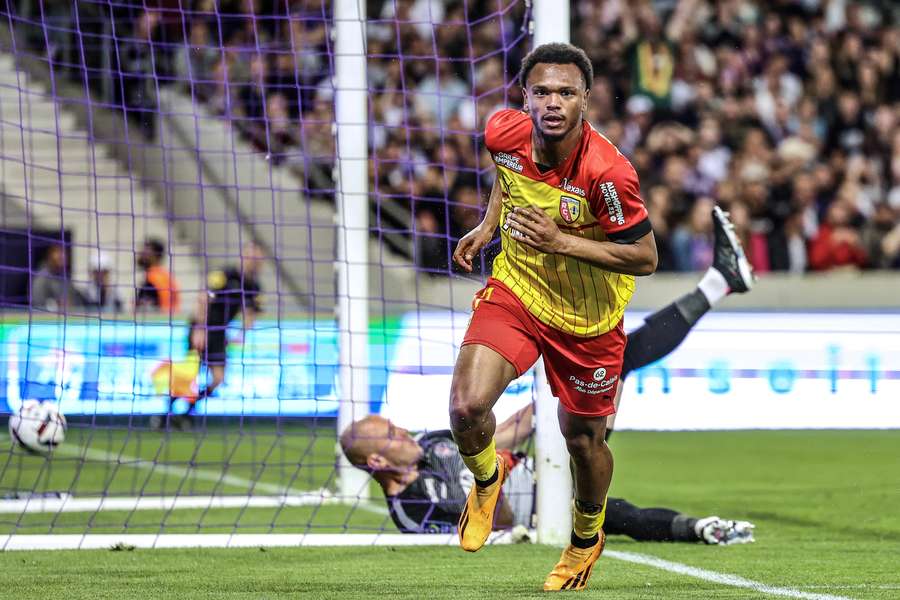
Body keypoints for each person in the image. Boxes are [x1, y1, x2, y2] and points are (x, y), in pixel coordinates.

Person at [341, 207, 755, 546]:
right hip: (537, 510)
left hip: (548, 469)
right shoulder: (411, 510)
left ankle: (719, 282)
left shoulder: (431, 445)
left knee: (620, 361)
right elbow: (479, 533)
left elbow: (503, 434)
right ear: (377, 461)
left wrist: (549, 406)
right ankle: (705, 529)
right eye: (393, 436)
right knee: (617, 513)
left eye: (395, 426)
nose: (404, 434)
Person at [449, 43, 658, 591]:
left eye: (566, 92)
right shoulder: (503, 132)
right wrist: (488, 224)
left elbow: (645, 257)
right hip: (518, 289)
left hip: (587, 319)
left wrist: (561, 240)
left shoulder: (607, 174)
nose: (553, 103)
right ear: (525, 97)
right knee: (467, 409)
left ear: (585, 100)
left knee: (583, 441)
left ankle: (586, 539)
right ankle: (488, 480)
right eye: (541, 92)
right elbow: (507, 172)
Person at [151, 243, 264, 430]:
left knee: (218, 379)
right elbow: (203, 298)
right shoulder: (225, 275)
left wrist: (241, 334)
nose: (254, 263)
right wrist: (200, 328)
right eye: (252, 258)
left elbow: (253, 312)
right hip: (202, 328)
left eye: (258, 260)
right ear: (244, 256)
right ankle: (165, 415)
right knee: (189, 376)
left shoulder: (254, 287)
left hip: (220, 334)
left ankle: (187, 411)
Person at [30, 243, 86, 312]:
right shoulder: (42, 277)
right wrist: (57, 304)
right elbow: (38, 302)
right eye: (58, 252)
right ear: (50, 255)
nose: (62, 256)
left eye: (64, 253)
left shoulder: (65, 277)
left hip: (69, 318)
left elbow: (75, 300)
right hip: (46, 319)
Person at [135, 238, 180, 315]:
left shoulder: (151, 280)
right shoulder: (167, 276)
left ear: (155, 255)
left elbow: (144, 310)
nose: (141, 254)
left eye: (145, 251)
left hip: (157, 323)